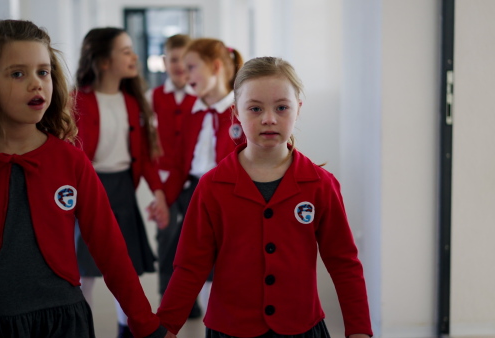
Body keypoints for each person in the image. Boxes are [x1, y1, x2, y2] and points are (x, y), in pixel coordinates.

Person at [0, 19, 172, 338]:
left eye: (43, 72)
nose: (36, 84)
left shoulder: (70, 160)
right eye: (17, 73)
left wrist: (144, 322)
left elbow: (110, 249)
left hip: (64, 323)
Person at [157, 57, 373, 338]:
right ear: (236, 113)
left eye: (282, 107)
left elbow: (344, 263)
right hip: (230, 329)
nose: (269, 118)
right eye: (255, 108)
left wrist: (359, 330)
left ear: (298, 110)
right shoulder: (212, 186)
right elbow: (189, 266)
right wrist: (167, 326)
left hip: (301, 328)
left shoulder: (320, 185)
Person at [72, 27, 169, 337]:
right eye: (126, 50)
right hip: (87, 192)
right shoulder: (75, 100)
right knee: (80, 272)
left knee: (125, 271)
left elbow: (147, 154)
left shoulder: (134, 102)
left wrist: (159, 193)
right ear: (102, 62)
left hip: (123, 191)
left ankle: (128, 330)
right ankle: (77, 329)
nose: (134, 56)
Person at [161, 38, 246, 313]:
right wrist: (164, 199)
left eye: (192, 67)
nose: (185, 75)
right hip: (194, 197)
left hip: (230, 200)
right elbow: (179, 164)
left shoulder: (242, 112)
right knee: (186, 264)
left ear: (216, 66)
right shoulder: (190, 111)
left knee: (224, 271)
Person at [144, 34, 201, 316]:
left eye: (185, 60)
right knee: (167, 236)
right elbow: (147, 144)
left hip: (196, 178)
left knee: (196, 239)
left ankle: (193, 297)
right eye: (174, 59)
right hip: (166, 179)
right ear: (165, 62)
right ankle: (167, 298)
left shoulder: (201, 95)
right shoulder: (152, 97)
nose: (180, 66)